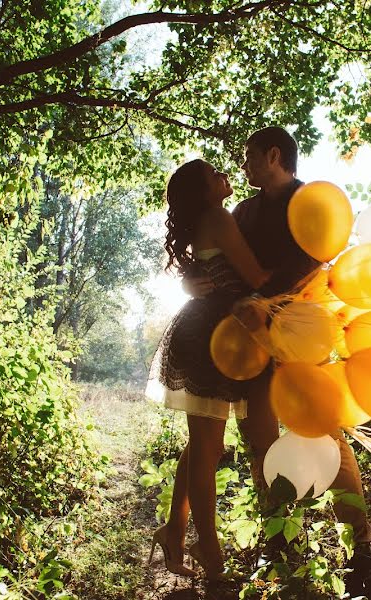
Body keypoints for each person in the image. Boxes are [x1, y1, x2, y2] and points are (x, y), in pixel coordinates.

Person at [183, 127, 371, 591]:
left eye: (250, 155)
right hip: (252, 343)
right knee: (261, 441)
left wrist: (263, 297)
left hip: (301, 335)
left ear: (273, 155)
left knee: (326, 432)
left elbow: (315, 259)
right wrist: (194, 282)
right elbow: (221, 264)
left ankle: (361, 547)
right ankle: (281, 543)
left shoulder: (311, 202)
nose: (243, 164)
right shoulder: (243, 210)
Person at [146, 159, 271, 581]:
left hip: (214, 335)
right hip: (210, 340)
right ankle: (209, 550)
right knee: (206, 447)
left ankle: (176, 529)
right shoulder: (218, 216)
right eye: (213, 174)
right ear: (205, 193)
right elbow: (257, 276)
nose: (224, 175)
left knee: (204, 445)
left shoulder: (217, 216)